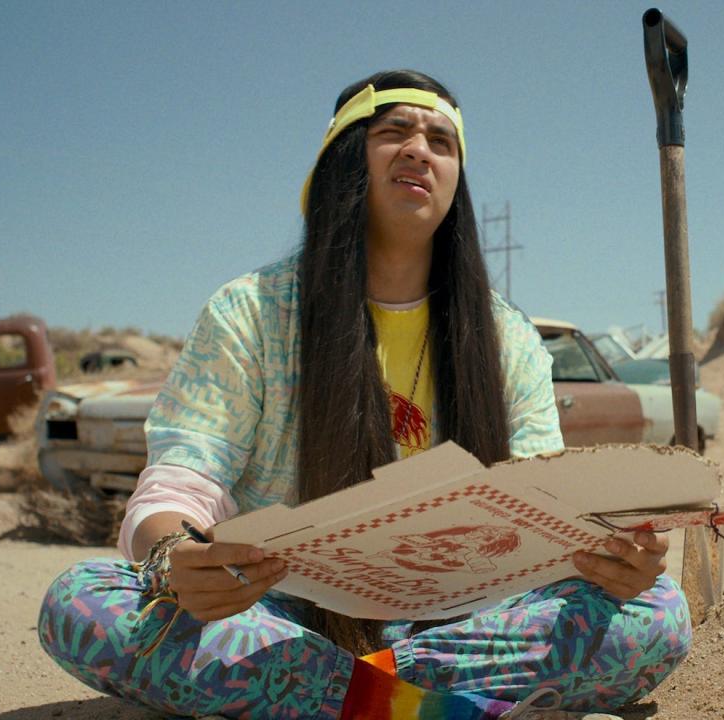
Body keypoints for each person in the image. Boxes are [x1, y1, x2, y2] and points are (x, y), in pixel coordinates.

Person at [39, 69, 690, 720]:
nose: (418, 149)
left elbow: (540, 507)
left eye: (441, 140)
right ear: (343, 160)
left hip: (458, 623)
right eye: (394, 131)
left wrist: (607, 557)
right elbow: (182, 483)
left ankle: (340, 695)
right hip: (282, 613)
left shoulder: (507, 338)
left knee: (658, 613)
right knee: (80, 600)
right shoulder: (252, 313)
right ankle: (434, 708)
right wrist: (173, 556)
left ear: (456, 181)